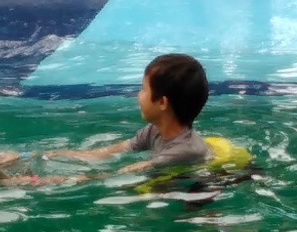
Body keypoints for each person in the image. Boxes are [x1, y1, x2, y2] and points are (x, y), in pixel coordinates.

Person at [44, 53, 213, 173]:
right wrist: (43, 154)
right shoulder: (153, 130)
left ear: (162, 102)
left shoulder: (184, 152)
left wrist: (36, 181)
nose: (138, 95)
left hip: (195, 190)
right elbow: (106, 152)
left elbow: (116, 175)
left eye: (143, 89)